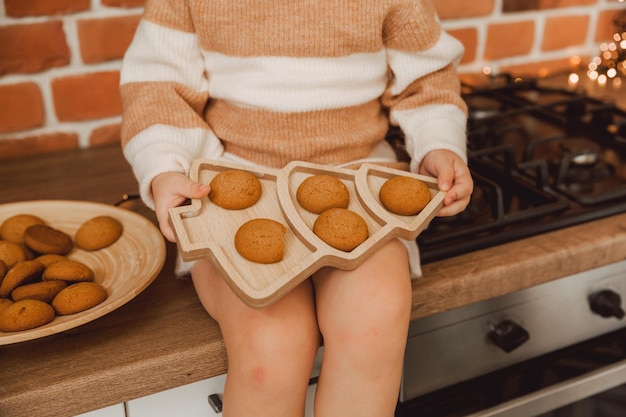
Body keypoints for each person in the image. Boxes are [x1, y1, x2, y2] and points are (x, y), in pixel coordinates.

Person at [120, 0, 473, 416]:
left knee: (373, 327)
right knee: (272, 349)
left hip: (358, 188)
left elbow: (428, 81)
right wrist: (164, 167)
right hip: (229, 189)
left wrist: (438, 144)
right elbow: (157, 87)